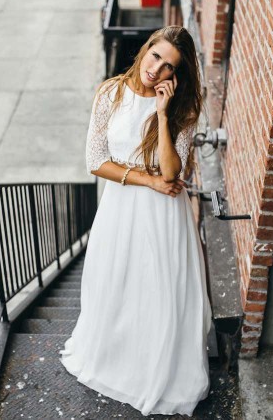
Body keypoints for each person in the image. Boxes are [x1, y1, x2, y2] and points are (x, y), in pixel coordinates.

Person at [58, 25, 213, 417]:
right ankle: (115, 358)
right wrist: (146, 180)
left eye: (168, 66)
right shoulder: (110, 93)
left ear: (176, 75)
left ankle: (155, 366)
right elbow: (96, 161)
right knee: (115, 281)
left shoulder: (182, 108)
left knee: (159, 290)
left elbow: (172, 173)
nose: (156, 69)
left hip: (163, 216)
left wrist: (162, 116)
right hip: (120, 208)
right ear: (146, 49)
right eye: (155, 56)